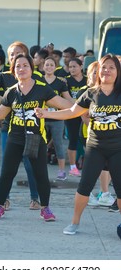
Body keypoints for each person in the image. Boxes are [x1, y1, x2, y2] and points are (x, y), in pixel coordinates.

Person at [0, 53, 73, 222]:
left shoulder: (42, 88)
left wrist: (77, 105)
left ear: (31, 69)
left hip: (36, 138)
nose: (21, 69)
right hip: (15, 138)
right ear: (13, 71)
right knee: (7, 174)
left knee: (40, 174)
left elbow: (66, 106)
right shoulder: (11, 92)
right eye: (18, 66)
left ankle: (45, 208)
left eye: (25, 65)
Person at [35, 53, 121, 238]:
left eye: (111, 67)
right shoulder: (91, 93)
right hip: (95, 148)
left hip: (118, 149)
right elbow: (71, 112)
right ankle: (75, 222)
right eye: (104, 67)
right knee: (84, 186)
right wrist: (47, 113)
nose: (106, 70)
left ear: (118, 71)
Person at [0, 41, 42, 210]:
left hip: (32, 130)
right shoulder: (4, 76)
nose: (14, 57)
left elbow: (48, 98)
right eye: (11, 55)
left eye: (18, 53)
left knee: (31, 166)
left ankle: (35, 198)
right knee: (8, 168)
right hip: (10, 127)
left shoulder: (35, 77)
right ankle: (4, 199)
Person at [77, 61, 115, 207]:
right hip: (89, 135)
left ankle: (101, 193)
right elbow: (84, 117)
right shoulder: (87, 93)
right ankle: (97, 194)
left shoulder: (108, 91)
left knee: (107, 166)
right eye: (94, 72)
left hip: (106, 137)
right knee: (95, 167)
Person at [43, 56, 74, 180]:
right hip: (42, 118)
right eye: (47, 65)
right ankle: (40, 170)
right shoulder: (38, 80)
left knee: (58, 144)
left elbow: (68, 98)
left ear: (56, 67)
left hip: (57, 118)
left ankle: (61, 171)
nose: (49, 67)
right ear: (43, 66)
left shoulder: (60, 82)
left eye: (52, 65)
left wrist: (80, 105)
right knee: (40, 145)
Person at [65, 58, 87, 177]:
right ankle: (73, 167)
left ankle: (87, 162)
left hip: (85, 113)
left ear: (81, 66)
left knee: (86, 139)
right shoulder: (66, 81)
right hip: (72, 113)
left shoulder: (87, 80)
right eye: (70, 67)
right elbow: (66, 98)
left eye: (75, 66)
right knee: (73, 139)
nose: (72, 69)